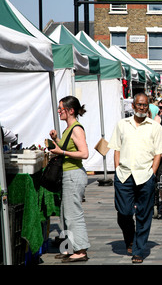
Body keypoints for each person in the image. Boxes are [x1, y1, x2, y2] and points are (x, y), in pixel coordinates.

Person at [108, 93, 162, 263]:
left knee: (143, 214)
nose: (142, 107)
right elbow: (116, 148)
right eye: (139, 104)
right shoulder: (122, 124)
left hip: (145, 175)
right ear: (133, 106)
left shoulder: (154, 127)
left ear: (148, 107)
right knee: (124, 211)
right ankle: (130, 238)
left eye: (145, 105)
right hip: (124, 175)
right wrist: (117, 169)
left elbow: (159, 152)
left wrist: (153, 172)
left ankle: (138, 250)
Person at [48, 96, 90, 263]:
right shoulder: (68, 128)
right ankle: (68, 248)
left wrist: (62, 153)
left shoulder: (76, 129)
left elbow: (84, 153)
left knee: (73, 215)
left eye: (61, 109)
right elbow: (66, 146)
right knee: (65, 215)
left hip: (73, 175)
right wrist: (56, 140)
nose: (59, 111)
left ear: (70, 110)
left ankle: (81, 250)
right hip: (68, 174)